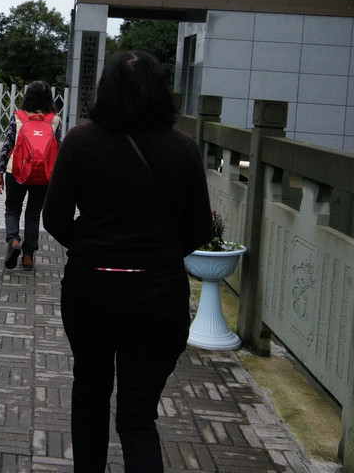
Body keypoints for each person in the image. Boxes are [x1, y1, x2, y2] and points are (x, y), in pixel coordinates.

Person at [42, 51, 213, 473]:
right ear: (159, 93)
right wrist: (159, 253)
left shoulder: (81, 141)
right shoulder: (184, 148)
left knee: (90, 395)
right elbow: (199, 228)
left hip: (92, 289)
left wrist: (91, 246)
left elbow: (55, 218)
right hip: (157, 296)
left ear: (107, 90)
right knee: (138, 417)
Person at [0, 80, 61, 271]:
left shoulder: (18, 117)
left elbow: (7, 146)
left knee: (12, 209)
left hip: (16, 170)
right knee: (33, 213)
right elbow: (60, 149)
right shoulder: (54, 120)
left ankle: (13, 240)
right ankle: (29, 255)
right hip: (44, 174)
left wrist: (0, 173)